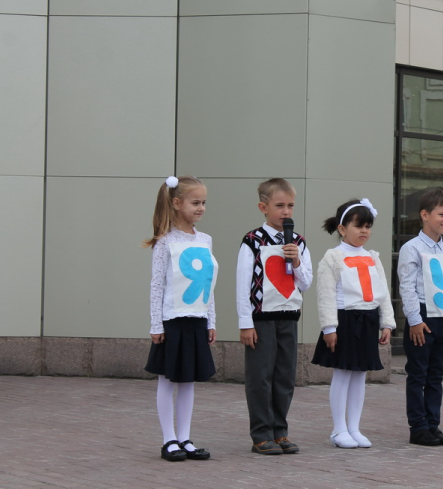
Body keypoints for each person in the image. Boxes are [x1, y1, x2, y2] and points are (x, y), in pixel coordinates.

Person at [236, 178, 313, 455]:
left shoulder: (298, 242)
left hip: (288, 317)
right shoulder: (253, 241)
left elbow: (305, 283)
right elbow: (242, 284)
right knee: (261, 377)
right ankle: (261, 434)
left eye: (290, 206)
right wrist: (245, 323)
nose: (286, 212)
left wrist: (297, 261)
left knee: (284, 377)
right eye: (280, 206)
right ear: (263, 207)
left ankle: (280, 431)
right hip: (261, 319)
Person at [311, 198, 396, 448]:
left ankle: (354, 428)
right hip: (345, 320)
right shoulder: (333, 257)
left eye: (368, 226)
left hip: (368, 320)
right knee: (343, 373)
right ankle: (339, 429)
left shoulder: (372, 257)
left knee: (360, 375)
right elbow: (325, 294)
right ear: (342, 228)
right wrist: (329, 327)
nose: (364, 231)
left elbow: (383, 292)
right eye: (358, 226)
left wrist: (387, 323)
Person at [143, 175, 217, 462]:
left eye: (204, 202)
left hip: (197, 318)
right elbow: (157, 285)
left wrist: (210, 320)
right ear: (176, 203)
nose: (201, 208)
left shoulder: (205, 240)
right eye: (195, 202)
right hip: (172, 319)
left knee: (189, 380)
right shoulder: (165, 242)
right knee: (167, 379)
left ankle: (185, 437)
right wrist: (156, 323)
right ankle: (169, 439)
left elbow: (208, 283)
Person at [397, 187, 443, 447]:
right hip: (423, 318)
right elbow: (407, 286)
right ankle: (418, 427)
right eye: (442, 214)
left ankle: (433, 424)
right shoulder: (411, 248)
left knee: (436, 374)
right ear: (425, 215)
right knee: (418, 374)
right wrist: (414, 320)